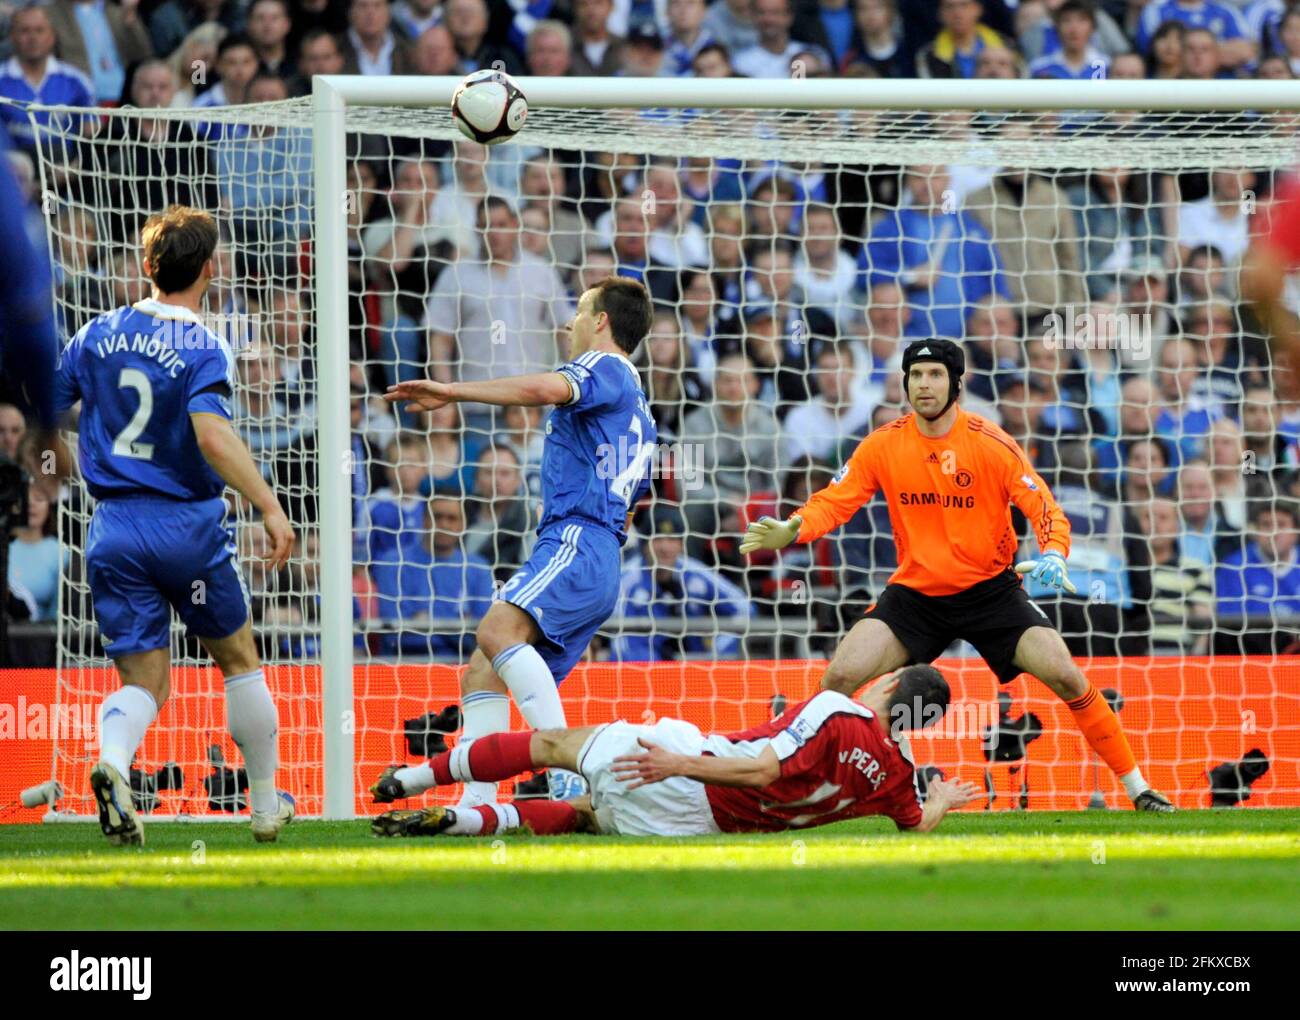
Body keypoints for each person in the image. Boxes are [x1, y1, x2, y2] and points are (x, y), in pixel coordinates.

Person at [739, 338, 1175, 812]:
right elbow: (834, 501)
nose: (924, 385)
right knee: (839, 676)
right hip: (916, 596)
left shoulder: (991, 443)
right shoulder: (884, 444)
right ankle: (783, 780)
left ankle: (1139, 789)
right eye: (915, 375)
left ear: (957, 384)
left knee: (1068, 676)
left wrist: (1054, 552)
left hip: (991, 592)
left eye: (935, 375)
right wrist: (794, 528)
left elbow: (1045, 508)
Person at [52, 205, 297, 845]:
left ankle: (112, 762)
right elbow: (213, 436)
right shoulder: (204, 345)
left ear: (146, 266)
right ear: (210, 270)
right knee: (239, 657)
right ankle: (267, 807)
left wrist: (69, 452)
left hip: (113, 528)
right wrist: (269, 505)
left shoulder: (97, 332)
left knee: (144, 682)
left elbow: (45, 401)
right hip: (185, 527)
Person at [377, 277, 657, 804]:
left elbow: (542, 390)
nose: (568, 323)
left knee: (497, 627)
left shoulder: (605, 366)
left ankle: (569, 770)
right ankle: (476, 804)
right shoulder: (641, 406)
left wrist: (451, 391)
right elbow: (637, 496)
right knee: (485, 667)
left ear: (601, 322)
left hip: (577, 538)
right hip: (599, 553)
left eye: (578, 312)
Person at [371, 665, 980, 839]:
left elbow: (766, 766)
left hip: (692, 771)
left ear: (890, 684)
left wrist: (679, 763)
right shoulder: (897, 776)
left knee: (552, 745)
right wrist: (945, 799)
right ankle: (462, 823)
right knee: (585, 815)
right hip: (692, 828)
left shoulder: (836, 709)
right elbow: (916, 824)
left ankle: (416, 778)